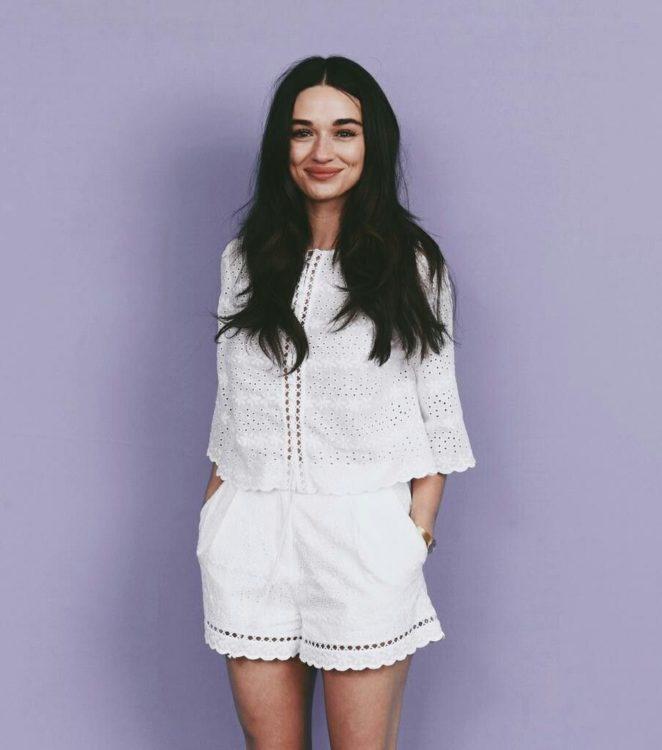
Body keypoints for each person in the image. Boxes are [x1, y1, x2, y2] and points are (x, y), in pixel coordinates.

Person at [196, 55, 476, 749]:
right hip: (250, 537)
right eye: (303, 132)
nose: (322, 150)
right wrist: (214, 521)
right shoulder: (244, 260)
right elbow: (232, 410)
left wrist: (414, 534)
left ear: (371, 143)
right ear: (282, 145)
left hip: (360, 539)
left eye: (344, 131)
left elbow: (440, 418)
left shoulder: (412, 263)